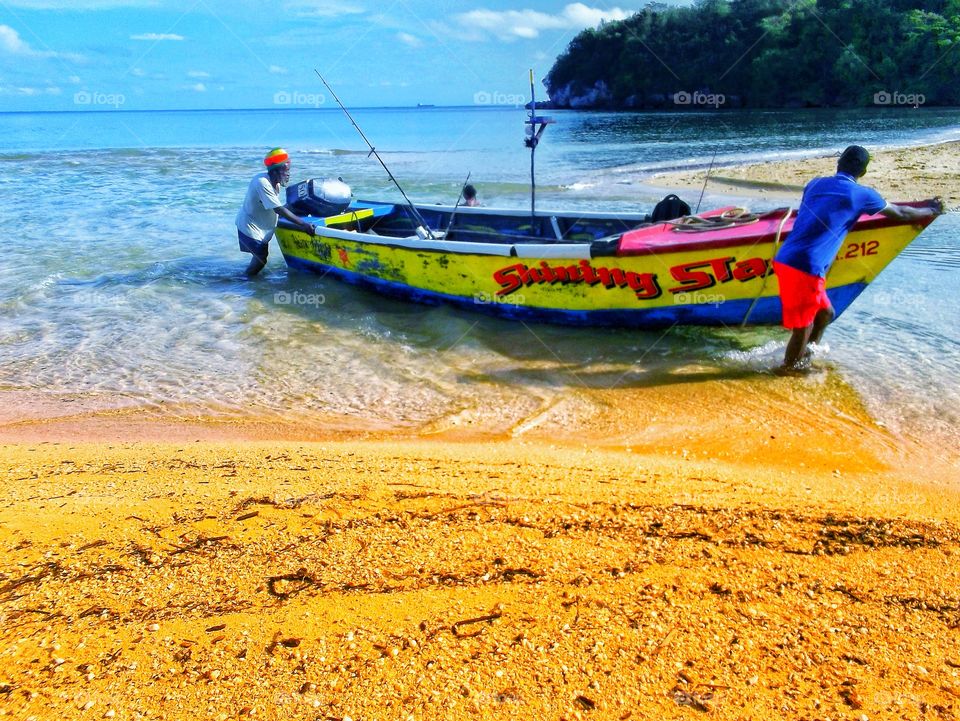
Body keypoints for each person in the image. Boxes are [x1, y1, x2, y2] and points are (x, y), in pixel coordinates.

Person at [772, 145, 942, 374]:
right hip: (807, 266)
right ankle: (788, 372)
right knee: (804, 325)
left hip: (785, 258)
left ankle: (806, 360)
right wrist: (930, 210)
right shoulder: (862, 194)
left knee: (825, 314)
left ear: (838, 164)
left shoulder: (814, 184)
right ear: (863, 171)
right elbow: (901, 213)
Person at [235, 147, 316, 276]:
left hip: (261, 225)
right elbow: (278, 209)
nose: (288, 174)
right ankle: (244, 279)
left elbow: (276, 206)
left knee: (260, 255)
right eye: (286, 170)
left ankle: (248, 278)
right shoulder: (262, 183)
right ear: (276, 171)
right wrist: (303, 224)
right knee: (261, 257)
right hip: (250, 226)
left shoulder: (275, 183)